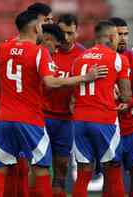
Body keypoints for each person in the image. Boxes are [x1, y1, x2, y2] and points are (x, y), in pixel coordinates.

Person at [0, 10, 103, 197]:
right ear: (36, 27)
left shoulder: (1, 48)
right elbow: (51, 82)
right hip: (30, 119)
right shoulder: (38, 52)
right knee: (41, 169)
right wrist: (85, 78)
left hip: (4, 119)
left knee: (0, 171)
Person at [71, 21, 132, 197]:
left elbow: (74, 92)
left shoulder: (78, 59)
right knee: (112, 167)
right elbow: (126, 96)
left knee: (83, 171)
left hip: (80, 119)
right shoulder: (118, 58)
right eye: (118, 36)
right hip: (104, 119)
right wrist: (116, 93)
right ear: (112, 37)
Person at [42, 14, 86, 197]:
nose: (66, 38)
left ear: (77, 32)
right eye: (62, 33)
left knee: (61, 167)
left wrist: (77, 99)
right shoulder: (45, 50)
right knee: (39, 166)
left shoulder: (84, 55)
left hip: (66, 119)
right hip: (41, 115)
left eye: (70, 33)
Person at [109, 17, 133, 197]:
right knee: (111, 173)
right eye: (119, 34)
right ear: (109, 35)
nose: (123, 38)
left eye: (126, 34)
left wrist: (128, 104)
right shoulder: (101, 58)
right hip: (108, 125)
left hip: (131, 124)